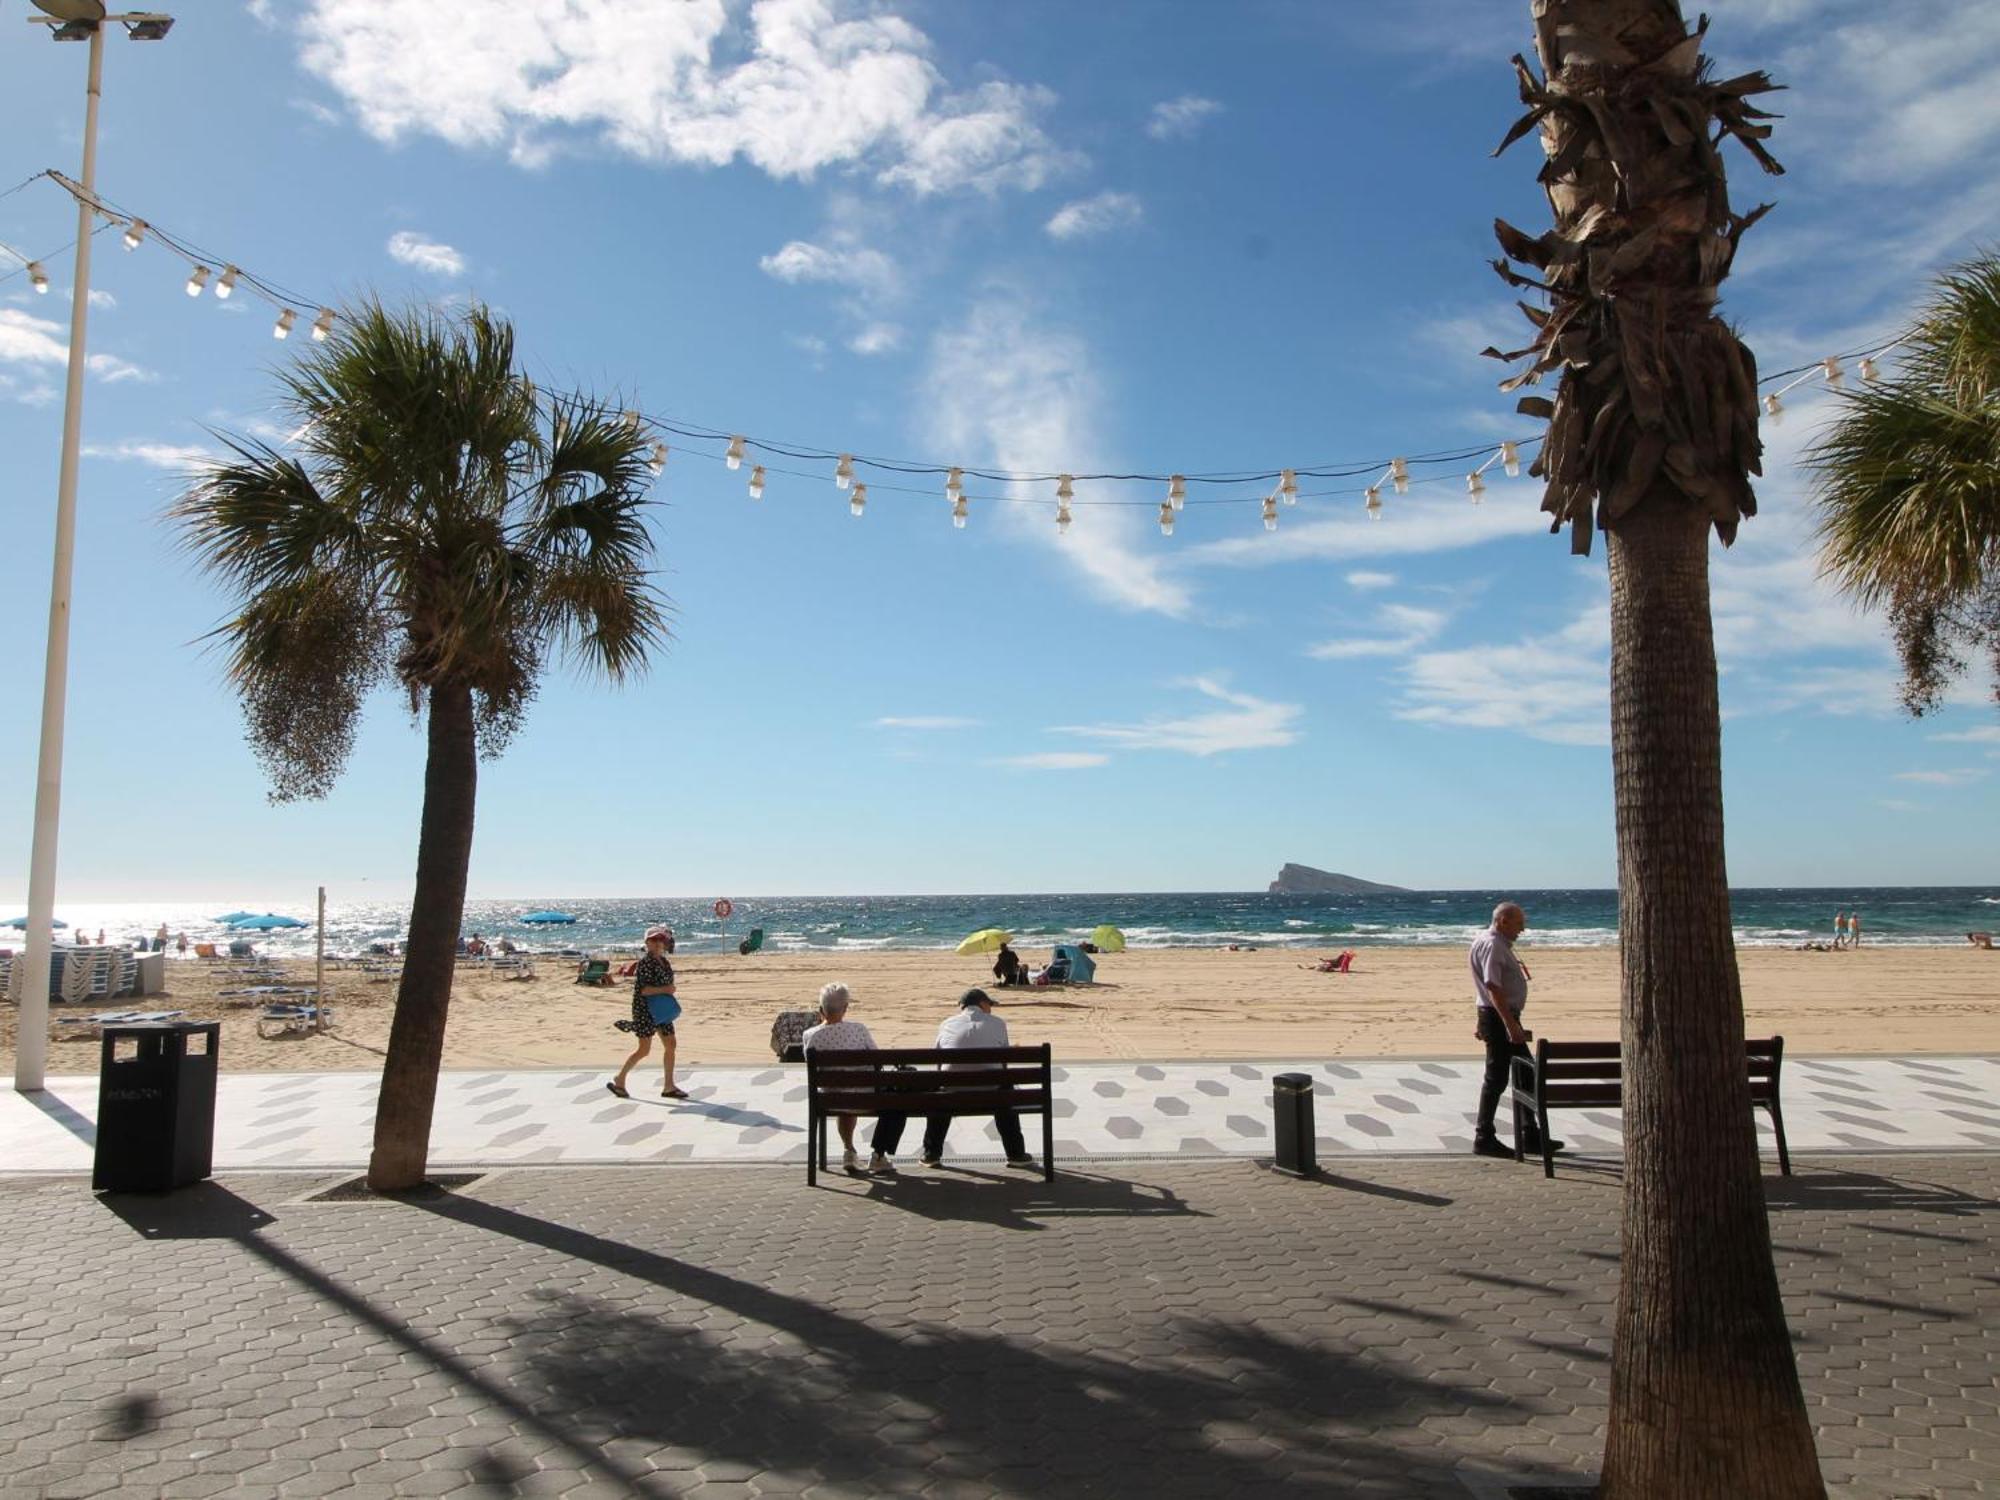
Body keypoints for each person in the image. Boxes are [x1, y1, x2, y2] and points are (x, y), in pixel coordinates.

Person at [875, 987, 1038, 1170]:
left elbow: (939, 1066)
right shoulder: (998, 1023)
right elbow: (1004, 1065)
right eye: (990, 1005)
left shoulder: (946, 1024)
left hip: (951, 1094)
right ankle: (1016, 1153)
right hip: (992, 1093)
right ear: (982, 1004)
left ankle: (931, 1153)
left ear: (962, 1006)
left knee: (939, 1091)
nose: (991, 1008)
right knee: (1006, 1089)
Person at [1469, 902, 1562, 1160]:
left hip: (1496, 1016)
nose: (1523, 928)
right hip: (1501, 1018)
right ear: (1503, 921)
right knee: (1497, 1077)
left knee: (1523, 1073)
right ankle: (1484, 1137)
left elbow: (1484, 990)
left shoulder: (1489, 941)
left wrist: (1485, 1020)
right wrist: (1511, 1026)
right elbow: (1492, 987)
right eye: (1519, 923)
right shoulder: (1493, 944)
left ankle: (1529, 1134)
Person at [801, 982, 879, 1172]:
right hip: (865, 1096)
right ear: (845, 1008)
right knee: (883, 1098)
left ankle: (849, 1150)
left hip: (829, 1097)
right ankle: (879, 1154)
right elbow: (877, 1058)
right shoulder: (859, 1029)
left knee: (843, 1093)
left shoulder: (810, 1036)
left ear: (821, 1009)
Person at [608, 925, 687, 1100]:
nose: (658, 943)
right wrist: (667, 989)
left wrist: (668, 990)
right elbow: (644, 990)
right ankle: (620, 1080)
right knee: (644, 1049)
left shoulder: (664, 962)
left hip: (662, 1010)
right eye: (654, 940)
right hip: (645, 1010)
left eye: (661, 940)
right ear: (647, 943)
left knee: (671, 1045)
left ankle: (669, 1086)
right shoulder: (645, 963)